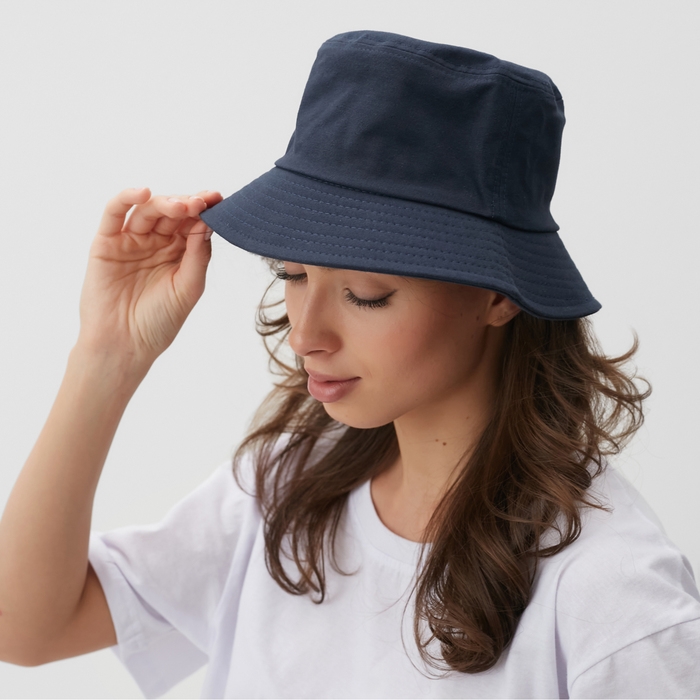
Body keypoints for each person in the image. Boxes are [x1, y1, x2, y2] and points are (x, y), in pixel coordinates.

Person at [1, 30, 699, 699]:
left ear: (498, 295)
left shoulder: (614, 598)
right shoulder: (284, 490)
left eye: (366, 294)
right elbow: (23, 628)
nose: (306, 334)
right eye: (292, 274)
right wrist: (107, 356)